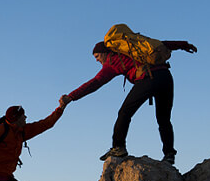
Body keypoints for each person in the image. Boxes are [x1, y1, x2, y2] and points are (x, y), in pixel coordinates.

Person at [60, 38, 197, 165]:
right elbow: (163, 44)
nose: (97, 60)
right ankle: (169, 154)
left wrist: (71, 96)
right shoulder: (132, 50)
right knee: (164, 119)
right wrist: (185, 45)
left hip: (148, 79)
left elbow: (95, 83)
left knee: (124, 112)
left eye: (97, 56)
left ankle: (118, 147)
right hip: (166, 77)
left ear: (104, 53)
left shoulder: (112, 62)